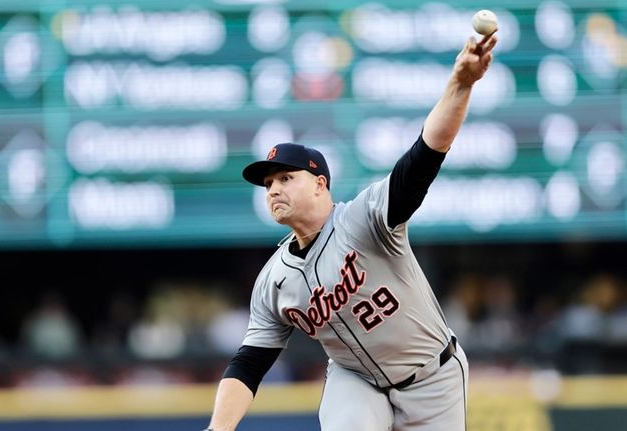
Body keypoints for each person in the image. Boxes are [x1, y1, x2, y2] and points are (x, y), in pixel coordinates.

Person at [205, 33, 498, 431]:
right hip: (355, 379)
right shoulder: (274, 281)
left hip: (432, 375)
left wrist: (460, 84)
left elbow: (425, 155)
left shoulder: (364, 220)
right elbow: (249, 364)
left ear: (320, 184)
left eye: (286, 178)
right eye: (268, 184)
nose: (273, 189)